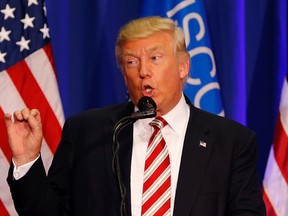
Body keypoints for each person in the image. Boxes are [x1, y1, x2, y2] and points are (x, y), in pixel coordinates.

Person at [5, 16, 266, 216]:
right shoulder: (87, 132)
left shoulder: (231, 142)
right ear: (123, 71)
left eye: (155, 58)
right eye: (131, 62)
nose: (143, 71)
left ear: (183, 66)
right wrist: (27, 160)